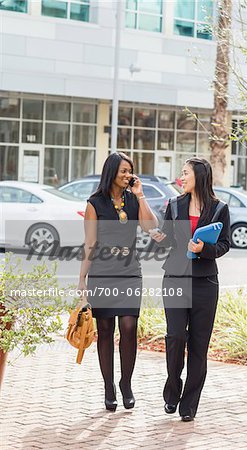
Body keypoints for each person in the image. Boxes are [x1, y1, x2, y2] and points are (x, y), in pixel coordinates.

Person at [150, 157, 230, 422]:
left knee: (199, 345)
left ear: (199, 176)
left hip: (205, 283)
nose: (181, 177)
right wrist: (157, 236)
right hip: (175, 278)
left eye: (185, 173)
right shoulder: (174, 205)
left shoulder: (219, 209)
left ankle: (189, 405)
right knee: (175, 337)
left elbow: (224, 245)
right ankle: (172, 392)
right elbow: (167, 241)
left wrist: (204, 249)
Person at [78, 152, 158, 411]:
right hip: (102, 272)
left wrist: (141, 195)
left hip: (129, 272)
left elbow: (151, 228)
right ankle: (108, 386)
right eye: (123, 171)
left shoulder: (133, 200)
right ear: (111, 172)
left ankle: (126, 383)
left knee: (128, 327)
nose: (128, 175)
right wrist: (82, 280)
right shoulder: (95, 203)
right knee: (104, 332)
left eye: (130, 171)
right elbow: (89, 243)